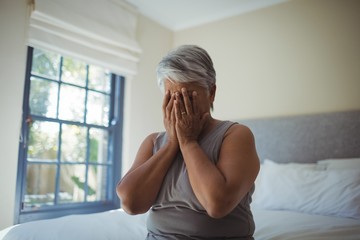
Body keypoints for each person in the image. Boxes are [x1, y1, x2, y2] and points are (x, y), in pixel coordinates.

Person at [116, 45, 260, 240]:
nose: (180, 106)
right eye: (173, 97)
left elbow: (217, 204)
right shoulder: (153, 142)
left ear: (211, 92)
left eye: (188, 96)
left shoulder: (236, 135)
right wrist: (171, 144)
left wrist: (188, 142)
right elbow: (130, 203)